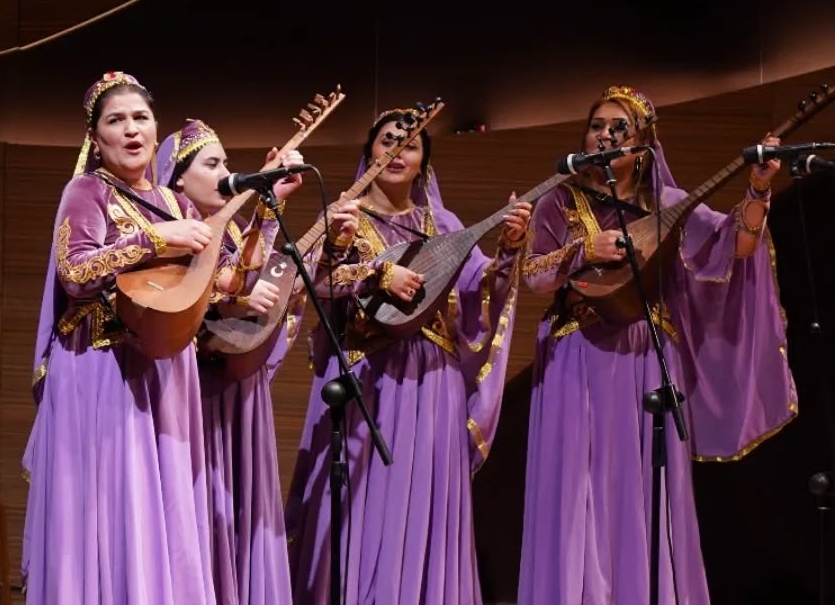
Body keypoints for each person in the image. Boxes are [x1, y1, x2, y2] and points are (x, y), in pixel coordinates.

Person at [518, 85, 796, 605]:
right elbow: (532, 276)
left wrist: (757, 190)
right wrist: (584, 249)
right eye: (597, 125)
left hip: (646, 360)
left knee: (639, 489)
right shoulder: (561, 198)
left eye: (618, 128)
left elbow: (736, 243)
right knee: (575, 490)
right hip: (574, 357)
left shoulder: (669, 206)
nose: (604, 135)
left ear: (645, 143)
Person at [284, 107, 530, 604]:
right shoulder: (343, 216)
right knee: (359, 503)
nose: (397, 150)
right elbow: (311, 282)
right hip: (362, 378)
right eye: (387, 140)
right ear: (369, 152)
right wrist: (375, 271)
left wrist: (509, 248)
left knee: (419, 506)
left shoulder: (442, 223)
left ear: (424, 162)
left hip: (431, 382)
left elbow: (483, 290)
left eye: (410, 144)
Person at [22, 72, 221, 603]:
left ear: (156, 130)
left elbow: (214, 279)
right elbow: (76, 272)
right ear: (96, 137)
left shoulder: (172, 199)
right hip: (101, 365)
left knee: (163, 504)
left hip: (163, 366)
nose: (131, 130)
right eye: (116, 120)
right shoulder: (86, 191)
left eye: (141, 118)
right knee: (112, 503)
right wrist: (154, 238)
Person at [154, 119, 305, 604]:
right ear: (179, 180)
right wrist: (235, 296)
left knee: (239, 506)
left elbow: (251, 276)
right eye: (212, 164)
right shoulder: (170, 234)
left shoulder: (235, 232)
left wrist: (269, 203)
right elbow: (211, 292)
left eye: (226, 163)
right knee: (201, 504)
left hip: (238, 389)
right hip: (195, 390)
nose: (224, 173)